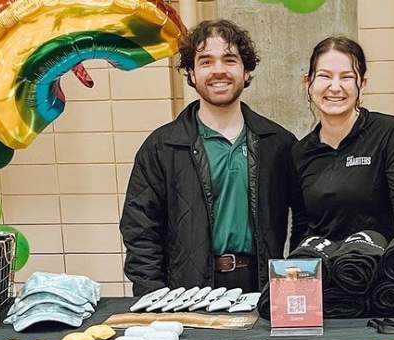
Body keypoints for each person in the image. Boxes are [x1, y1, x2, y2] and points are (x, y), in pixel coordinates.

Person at [121, 20, 299, 295]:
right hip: (185, 293)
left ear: (247, 71)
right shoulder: (162, 147)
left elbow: (307, 220)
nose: (219, 70)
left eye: (229, 60)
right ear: (191, 73)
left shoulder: (278, 143)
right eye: (205, 62)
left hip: (262, 289)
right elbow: (140, 229)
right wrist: (154, 298)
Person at [290, 37, 394, 249]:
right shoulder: (300, 152)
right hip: (329, 274)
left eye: (347, 77)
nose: (335, 87)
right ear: (308, 83)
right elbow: (302, 227)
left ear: (362, 84)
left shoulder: (388, 132)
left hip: (383, 272)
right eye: (324, 76)